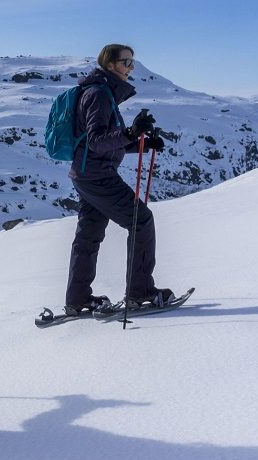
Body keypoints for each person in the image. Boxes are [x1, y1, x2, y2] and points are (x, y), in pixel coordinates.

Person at [64, 43, 173, 315]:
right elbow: (97, 141)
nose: (130, 68)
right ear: (110, 64)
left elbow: (103, 143)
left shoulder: (101, 92)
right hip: (97, 176)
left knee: (88, 235)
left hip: (87, 175)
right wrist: (132, 133)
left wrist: (143, 143)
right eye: (126, 62)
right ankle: (140, 292)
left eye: (132, 63)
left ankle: (77, 299)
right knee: (142, 221)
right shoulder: (98, 94)